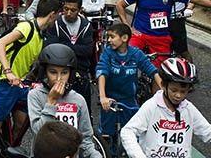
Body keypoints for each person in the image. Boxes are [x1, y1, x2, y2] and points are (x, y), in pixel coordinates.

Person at [0, 0, 61, 158]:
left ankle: (8, 153)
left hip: (21, 85)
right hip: (3, 82)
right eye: (58, 15)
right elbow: (0, 44)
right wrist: (8, 71)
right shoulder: (26, 27)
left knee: (21, 124)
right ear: (52, 14)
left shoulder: (41, 36)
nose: (58, 19)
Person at [116, 0, 211, 67]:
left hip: (161, 36)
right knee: (127, 61)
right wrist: (127, 26)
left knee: (161, 72)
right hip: (140, 35)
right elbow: (120, 5)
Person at [120, 58, 211, 158]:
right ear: (163, 85)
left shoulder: (189, 109)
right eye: (174, 90)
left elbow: (207, 132)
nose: (178, 95)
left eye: (183, 91)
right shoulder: (152, 107)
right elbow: (127, 131)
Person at [96, 23, 161, 154]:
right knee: (107, 135)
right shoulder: (108, 53)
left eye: (112, 37)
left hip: (129, 100)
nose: (108, 40)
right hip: (109, 100)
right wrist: (102, 96)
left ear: (124, 38)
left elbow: (153, 72)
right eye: (108, 37)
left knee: (131, 135)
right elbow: (102, 72)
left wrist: (165, 92)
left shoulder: (136, 54)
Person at [27, 44, 102, 158]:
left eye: (64, 73)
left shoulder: (78, 100)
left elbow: (86, 139)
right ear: (45, 72)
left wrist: (95, 155)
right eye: (53, 72)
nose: (58, 78)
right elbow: (38, 133)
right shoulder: (35, 96)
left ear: (70, 74)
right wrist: (51, 102)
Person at [45, 0, 95, 114]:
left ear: (80, 10)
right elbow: (50, 49)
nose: (68, 13)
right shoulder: (55, 24)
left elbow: (88, 50)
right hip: (59, 70)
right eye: (66, 9)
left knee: (83, 108)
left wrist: (64, 46)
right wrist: (76, 49)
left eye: (73, 10)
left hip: (80, 71)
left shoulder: (86, 26)